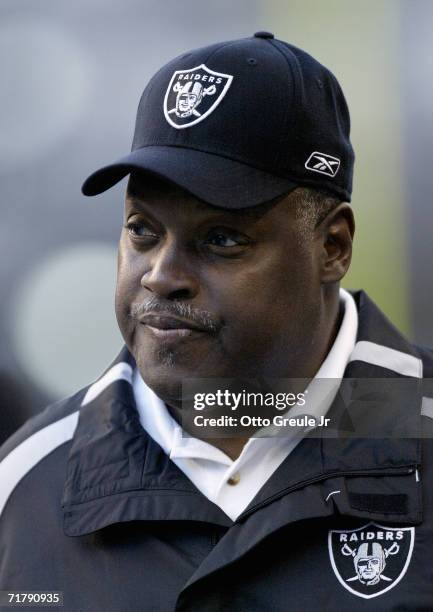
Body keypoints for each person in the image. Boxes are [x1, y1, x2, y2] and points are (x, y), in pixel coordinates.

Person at [1, 31, 432, 611]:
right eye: (142, 230)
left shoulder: (415, 426)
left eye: (221, 238)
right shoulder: (24, 486)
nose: (160, 275)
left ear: (332, 246)